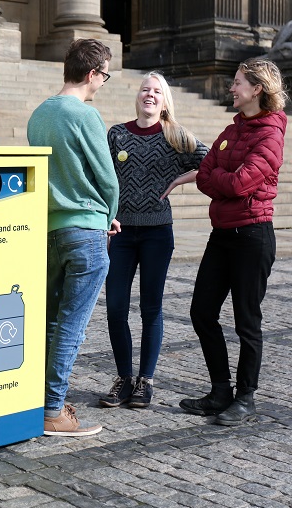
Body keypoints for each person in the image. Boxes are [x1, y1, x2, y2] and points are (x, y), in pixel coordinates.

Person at [178, 57, 288, 427]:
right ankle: (220, 390)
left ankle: (245, 398)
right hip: (222, 234)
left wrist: (220, 180)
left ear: (257, 89)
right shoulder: (231, 129)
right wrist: (223, 179)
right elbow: (206, 174)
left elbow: (237, 183)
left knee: (247, 321)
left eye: (238, 82)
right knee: (201, 312)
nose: (231, 87)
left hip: (253, 236)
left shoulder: (270, 135)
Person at [27, 38, 120, 437]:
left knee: (49, 320)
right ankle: (52, 411)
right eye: (104, 75)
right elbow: (107, 179)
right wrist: (108, 218)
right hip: (85, 230)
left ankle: (37, 401)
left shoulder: (39, 115)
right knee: (72, 325)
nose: (103, 83)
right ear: (91, 74)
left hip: (50, 229)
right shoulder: (85, 115)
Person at [99, 72, 209, 409]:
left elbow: (211, 163)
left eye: (157, 91)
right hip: (121, 232)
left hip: (157, 233)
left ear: (164, 101)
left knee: (151, 308)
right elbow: (102, 176)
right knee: (115, 307)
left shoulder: (175, 135)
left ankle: (145, 381)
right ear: (138, 96)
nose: (150, 94)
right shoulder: (117, 134)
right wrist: (105, 216)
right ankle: (123, 378)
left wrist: (178, 181)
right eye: (145, 89)